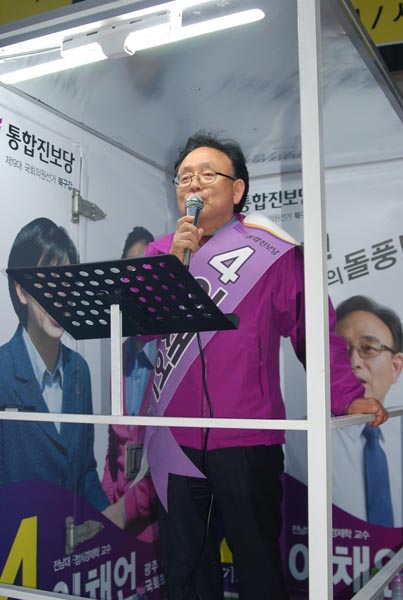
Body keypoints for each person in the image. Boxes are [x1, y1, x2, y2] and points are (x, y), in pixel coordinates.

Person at [142, 131, 387, 600]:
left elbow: (313, 329)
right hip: (173, 437)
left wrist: (345, 396)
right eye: (184, 177)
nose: (193, 184)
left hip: (247, 438)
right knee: (185, 569)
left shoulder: (272, 252)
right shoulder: (161, 253)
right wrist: (172, 269)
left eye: (207, 175)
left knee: (257, 564)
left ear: (237, 189)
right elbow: (142, 333)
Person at [0, 217, 109, 512]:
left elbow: (85, 472)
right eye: (47, 283)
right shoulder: (3, 370)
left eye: (67, 284)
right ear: (21, 290)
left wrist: (109, 520)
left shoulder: (79, 371)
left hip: (70, 536)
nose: (60, 297)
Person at [286, 294, 403, 526]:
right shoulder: (293, 442)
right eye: (340, 350)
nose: (353, 362)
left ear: (396, 366)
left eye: (368, 348)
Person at [102, 226, 158, 538]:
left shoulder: (173, 356)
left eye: (146, 273)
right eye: (129, 273)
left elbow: (173, 459)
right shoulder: (119, 354)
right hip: (118, 521)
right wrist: (104, 504)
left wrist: (120, 513)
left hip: (159, 523)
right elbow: (113, 450)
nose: (137, 284)